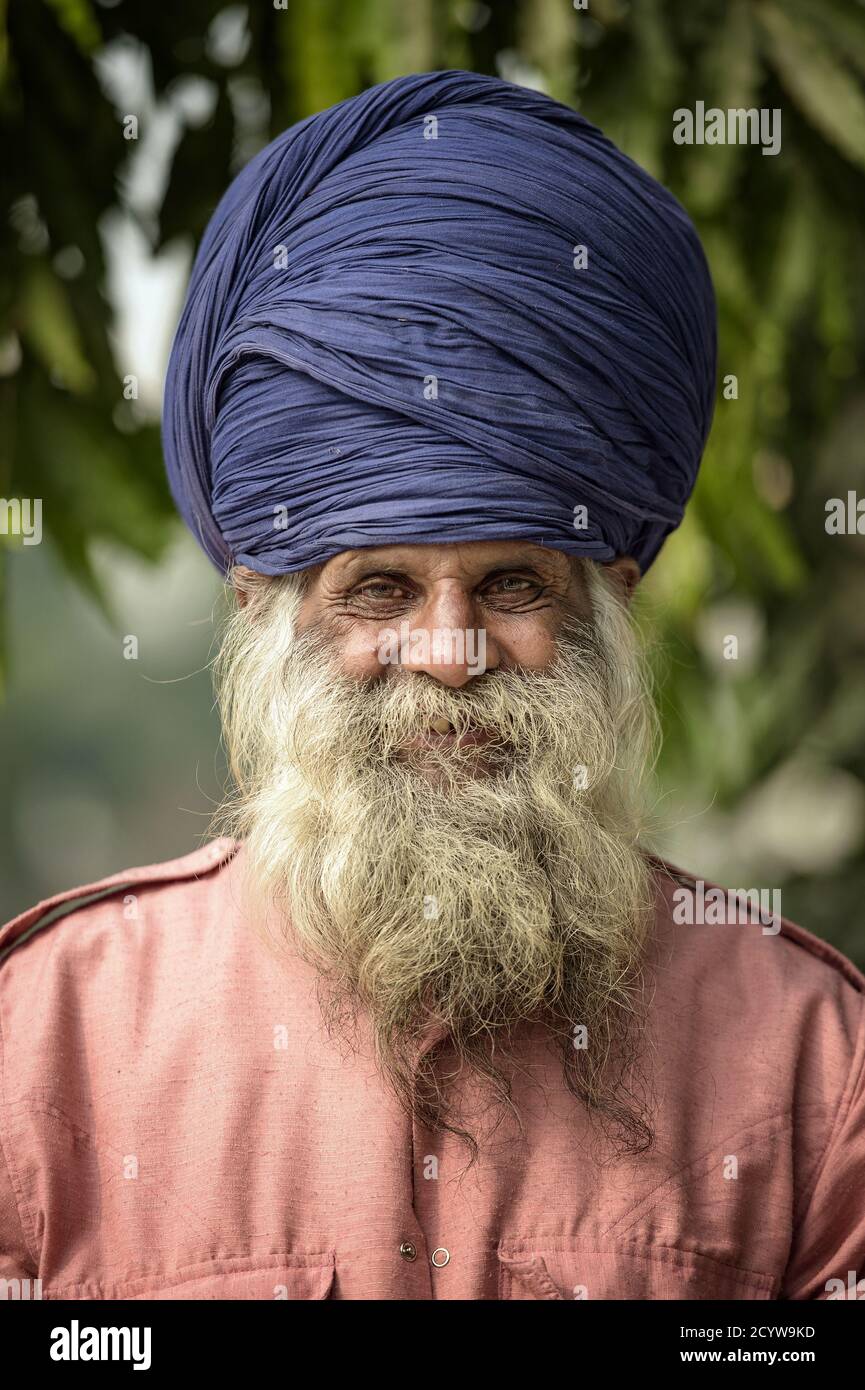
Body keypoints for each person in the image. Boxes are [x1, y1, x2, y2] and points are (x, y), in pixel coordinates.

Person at [1, 70, 863, 1302]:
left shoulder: (806, 1062)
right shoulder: (45, 1044)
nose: (447, 654)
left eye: (511, 585)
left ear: (610, 600)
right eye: (380, 591)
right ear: (265, 607)